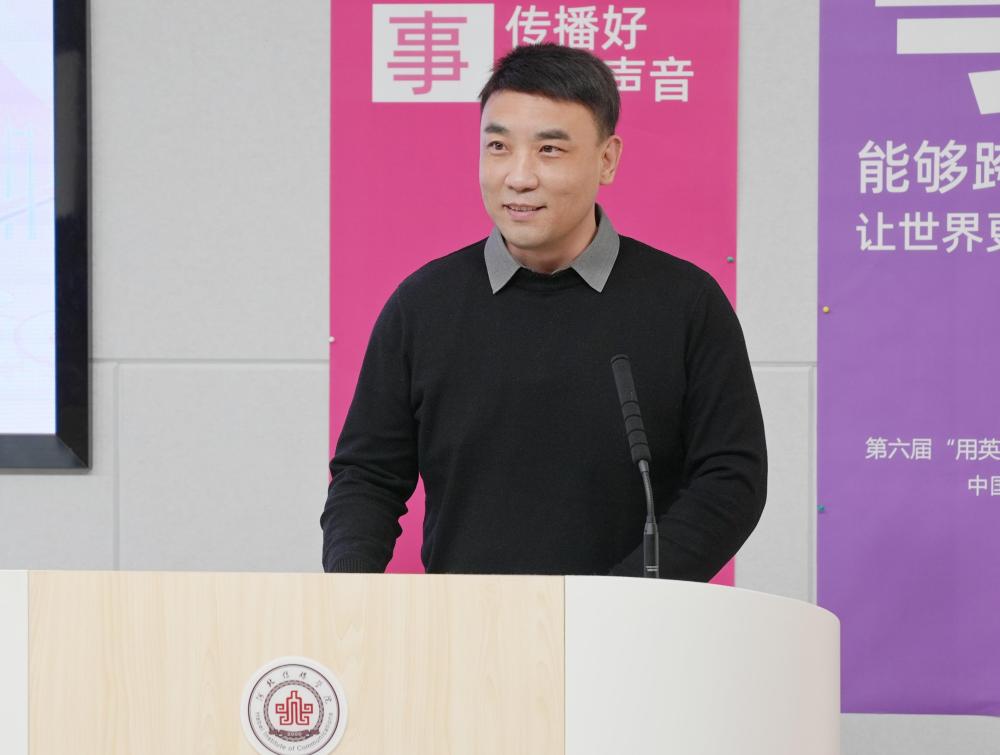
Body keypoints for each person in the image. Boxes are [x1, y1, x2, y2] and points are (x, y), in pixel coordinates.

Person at [321, 43, 766, 581]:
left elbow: (731, 479)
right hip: (463, 623)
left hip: (632, 622)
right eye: (498, 147)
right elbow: (367, 476)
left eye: (549, 150)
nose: (519, 177)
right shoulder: (422, 305)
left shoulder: (686, 303)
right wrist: (351, 589)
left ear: (607, 159)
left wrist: (625, 600)